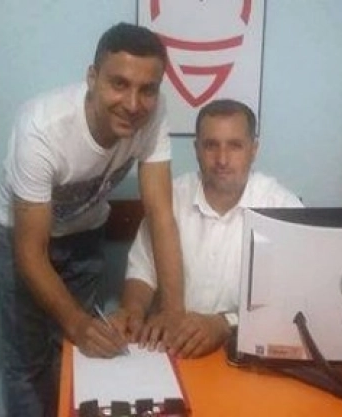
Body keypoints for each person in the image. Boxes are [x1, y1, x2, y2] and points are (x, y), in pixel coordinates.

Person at [0, 23, 185, 417]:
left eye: (147, 89)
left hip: (85, 233)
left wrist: (174, 310)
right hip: (23, 237)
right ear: (92, 78)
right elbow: (30, 253)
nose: (133, 104)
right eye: (119, 84)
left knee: (80, 353)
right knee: (28, 364)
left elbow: (161, 215)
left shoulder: (154, 113)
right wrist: (77, 323)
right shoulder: (41, 129)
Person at [111, 99, 303, 359]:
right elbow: (142, 272)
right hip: (169, 349)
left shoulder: (282, 209)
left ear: (253, 150)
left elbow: (292, 303)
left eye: (235, 145)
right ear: (196, 149)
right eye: (211, 145)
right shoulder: (170, 199)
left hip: (241, 353)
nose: (222, 159)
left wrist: (224, 324)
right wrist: (132, 311)